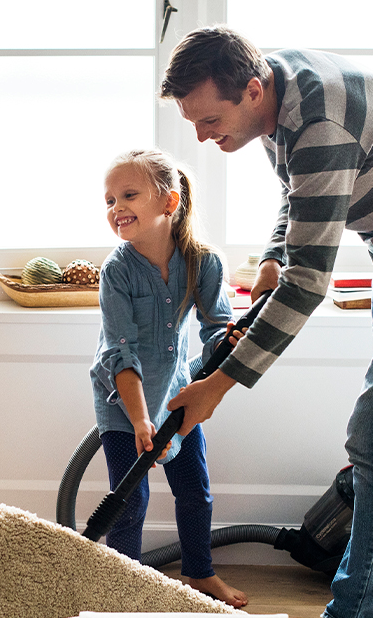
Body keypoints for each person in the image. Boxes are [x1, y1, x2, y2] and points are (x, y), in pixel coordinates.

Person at [160, 27, 373, 618]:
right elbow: (303, 193)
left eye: (209, 119)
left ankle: (353, 612)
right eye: (192, 121)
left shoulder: (320, 124)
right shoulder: (276, 96)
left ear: (251, 88)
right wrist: (273, 256)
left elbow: (310, 284)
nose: (201, 135)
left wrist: (217, 386)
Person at [90, 148, 248, 608]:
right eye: (108, 200)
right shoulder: (117, 270)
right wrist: (139, 420)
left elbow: (215, 328)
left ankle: (199, 573)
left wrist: (226, 344)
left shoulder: (204, 263)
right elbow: (119, 352)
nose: (116, 207)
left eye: (128, 195)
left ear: (169, 203)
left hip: (180, 395)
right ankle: (126, 586)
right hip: (123, 401)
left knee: (194, 490)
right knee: (131, 499)